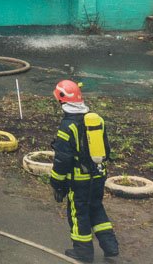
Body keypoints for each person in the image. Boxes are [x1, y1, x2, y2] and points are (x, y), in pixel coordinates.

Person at [49, 80, 120, 262]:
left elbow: (62, 160)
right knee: (96, 208)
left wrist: (57, 184)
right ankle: (111, 247)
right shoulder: (96, 121)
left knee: (78, 213)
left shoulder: (68, 126)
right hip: (98, 175)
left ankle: (83, 252)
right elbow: (107, 149)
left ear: (62, 100)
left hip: (79, 181)